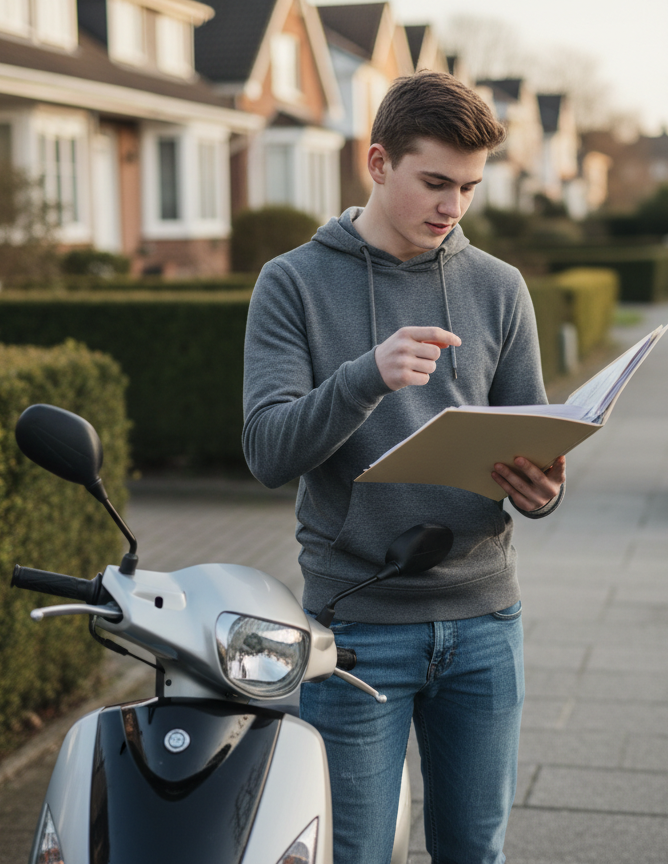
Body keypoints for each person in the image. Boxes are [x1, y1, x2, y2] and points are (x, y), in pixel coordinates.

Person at [242, 70, 565, 864]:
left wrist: (545, 489)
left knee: (474, 851)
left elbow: (534, 438)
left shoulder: (498, 287)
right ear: (377, 162)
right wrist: (365, 376)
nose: (453, 207)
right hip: (358, 628)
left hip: (486, 621)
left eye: (469, 187)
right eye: (435, 182)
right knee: (349, 854)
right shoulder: (292, 282)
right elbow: (266, 452)